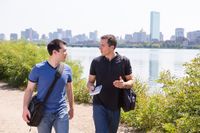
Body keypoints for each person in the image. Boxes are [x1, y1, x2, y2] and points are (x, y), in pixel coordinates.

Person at [22, 39, 74, 133]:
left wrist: (72, 108)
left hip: (61, 112)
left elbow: (69, 89)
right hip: (42, 113)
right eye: (64, 51)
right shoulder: (38, 69)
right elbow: (29, 89)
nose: (67, 53)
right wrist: (25, 108)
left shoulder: (67, 69)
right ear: (55, 52)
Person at [87, 34, 134, 133]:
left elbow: (131, 81)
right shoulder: (96, 62)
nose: (100, 47)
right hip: (99, 104)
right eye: (100, 45)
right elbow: (90, 82)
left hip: (116, 106)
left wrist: (124, 84)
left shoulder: (124, 61)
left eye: (103, 45)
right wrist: (91, 87)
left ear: (112, 47)